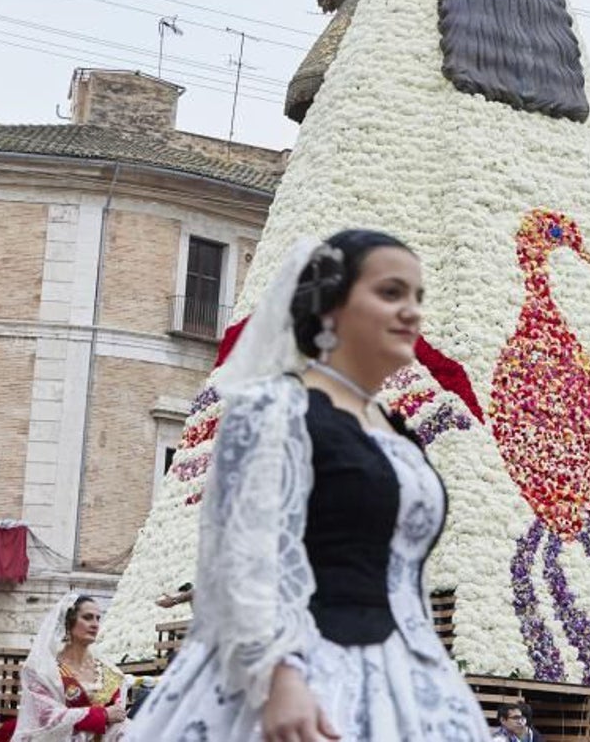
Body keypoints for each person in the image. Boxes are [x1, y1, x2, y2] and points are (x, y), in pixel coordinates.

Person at [126, 231, 490, 741]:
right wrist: (277, 675)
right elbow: (241, 552)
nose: (411, 312)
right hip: (297, 678)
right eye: (390, 293)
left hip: (407, 677)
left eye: (417, 298)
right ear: (328, 309)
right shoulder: (273, 409)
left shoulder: (395, 430)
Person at [11, 592, 130, 741]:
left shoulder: (108, 670)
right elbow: (46, 716)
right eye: (87, 617)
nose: (95, 624)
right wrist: (101, 715)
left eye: (97, 618)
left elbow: (117, 713)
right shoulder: (45, 670)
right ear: (69, 622)